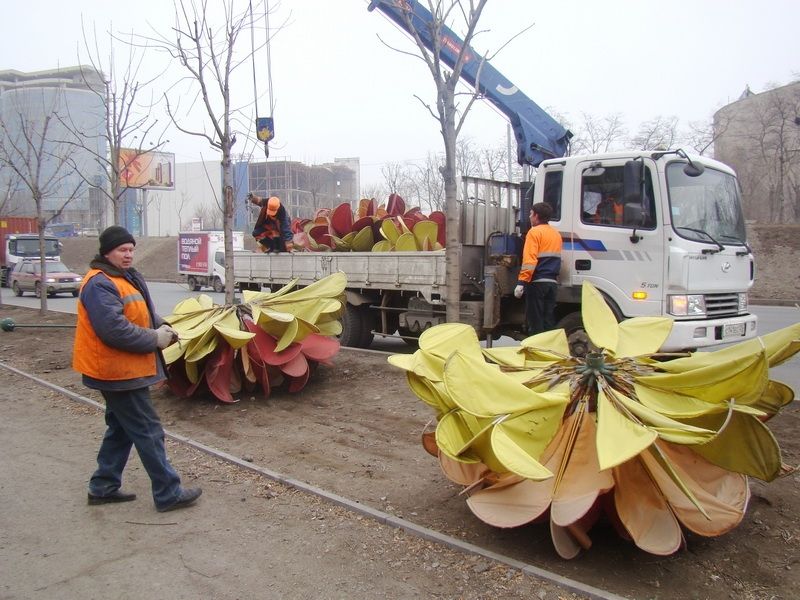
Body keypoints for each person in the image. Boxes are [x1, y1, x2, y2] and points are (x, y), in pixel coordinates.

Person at [73, 226, 202, 512]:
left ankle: (103, 486)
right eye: (122, 250)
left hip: (122, 370)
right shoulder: (99, 283)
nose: (128, 254)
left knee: (121, 428)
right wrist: (154, 338)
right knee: (148, 429)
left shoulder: (124, 277)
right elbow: (114, 330)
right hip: (116, 372)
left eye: (131, 249)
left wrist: (161, 324)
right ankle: (168, 493)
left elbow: (139, 311)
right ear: (107, 252)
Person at [514, 203, 563, 335]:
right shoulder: (556, 234)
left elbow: (530, 261)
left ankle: (536, 347)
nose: (530, 217)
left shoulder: (534, 232)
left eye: (531, 214)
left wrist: (521, 282)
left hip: (537, 283)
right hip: (552, 283)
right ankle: (548, 346)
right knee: (548, 321)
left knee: (535, 322)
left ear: (536, 216)